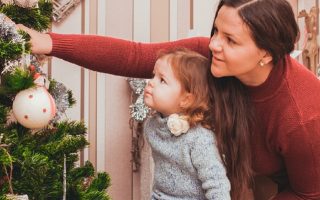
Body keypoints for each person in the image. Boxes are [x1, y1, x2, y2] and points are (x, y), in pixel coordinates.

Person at [15, 0, 320, 199]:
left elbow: (308, 194)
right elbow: (136, 55)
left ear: (265, 53)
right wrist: (49, 42)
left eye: (230, 40)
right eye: (216, 30)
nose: (213, 44)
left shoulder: (303, 115)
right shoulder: (212, 57)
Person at [142, 48, 230, 200]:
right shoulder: (152, 126)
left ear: (186, 100)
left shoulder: (199, 139)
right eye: (153, 76)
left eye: (162, 80)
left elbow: (217, 184)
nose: (150, 83)